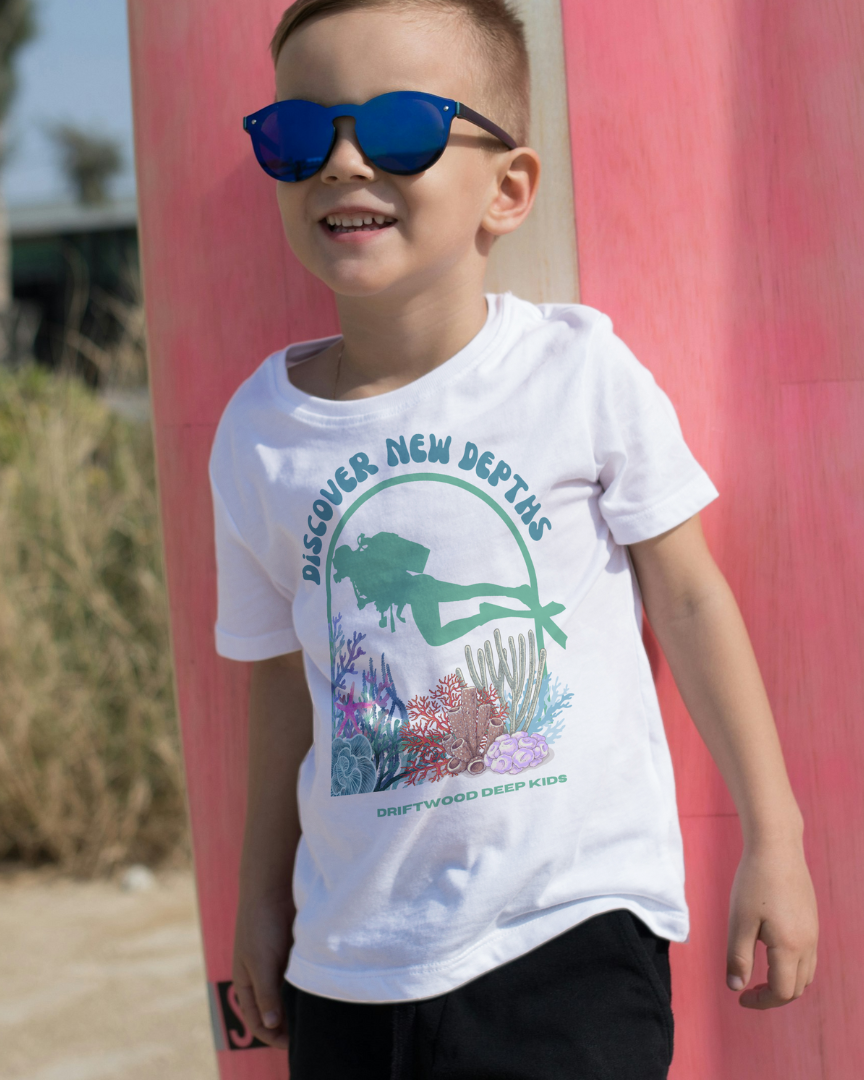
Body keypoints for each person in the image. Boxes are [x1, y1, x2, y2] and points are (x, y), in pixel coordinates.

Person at [208, 1, 819, 1076]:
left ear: (510, 189)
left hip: (569, 936)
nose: (342, 161)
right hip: (351, 962)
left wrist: (777, 841)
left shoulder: (577, 374)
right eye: (300, 135)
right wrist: (260, 899)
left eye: (399, 129)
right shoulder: (260, 432)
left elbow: (690, 599)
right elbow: (280, 681)